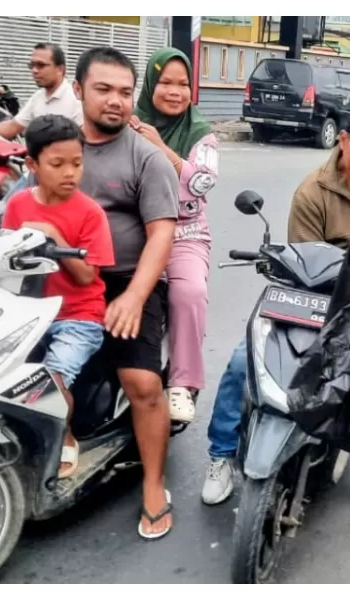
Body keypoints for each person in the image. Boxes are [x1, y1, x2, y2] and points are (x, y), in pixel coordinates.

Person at [202, 103, 350, 530]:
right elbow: (302, 267)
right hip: (319, 299)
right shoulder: (312, 192)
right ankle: (219, 455)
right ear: (343, 140)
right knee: (240, 364)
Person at [72, 47, 181, 539]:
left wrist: (135, 296)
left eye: (124, 91)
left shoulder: (147, 157)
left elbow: (162, 234)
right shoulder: (59, 146)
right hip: (64, 275)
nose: (116, 101)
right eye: (103, 90)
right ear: (78, 91)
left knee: (141, 382)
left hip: (128, 277)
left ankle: (153, 484)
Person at [1, 115, 115, 479]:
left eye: (77, 164)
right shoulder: (17, 205)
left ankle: (64, 435)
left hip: (78, 316)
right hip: (28, 312)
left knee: (52, 381)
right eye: (58, 164)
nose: (70, 173)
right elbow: (3, 259)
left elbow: (86, 277)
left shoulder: (90, 213)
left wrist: (54, 240)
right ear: (32, 165)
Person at [131, 47, 218, 424]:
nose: (174, 91)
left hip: (186, 234)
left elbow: (202, 184)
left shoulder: (201, 133)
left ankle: (182, 384)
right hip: (135, 232)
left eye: (183, 84)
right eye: (165, 82)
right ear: (150, 83)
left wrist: (161, 148)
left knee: (189, 292)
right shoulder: (129, 124)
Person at [0, 43, 84, 141]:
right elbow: (13, 126)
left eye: (41, 65)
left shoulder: (76, 99)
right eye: (32, 65)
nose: (34, 70)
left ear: (60, 69)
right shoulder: (38, 98)